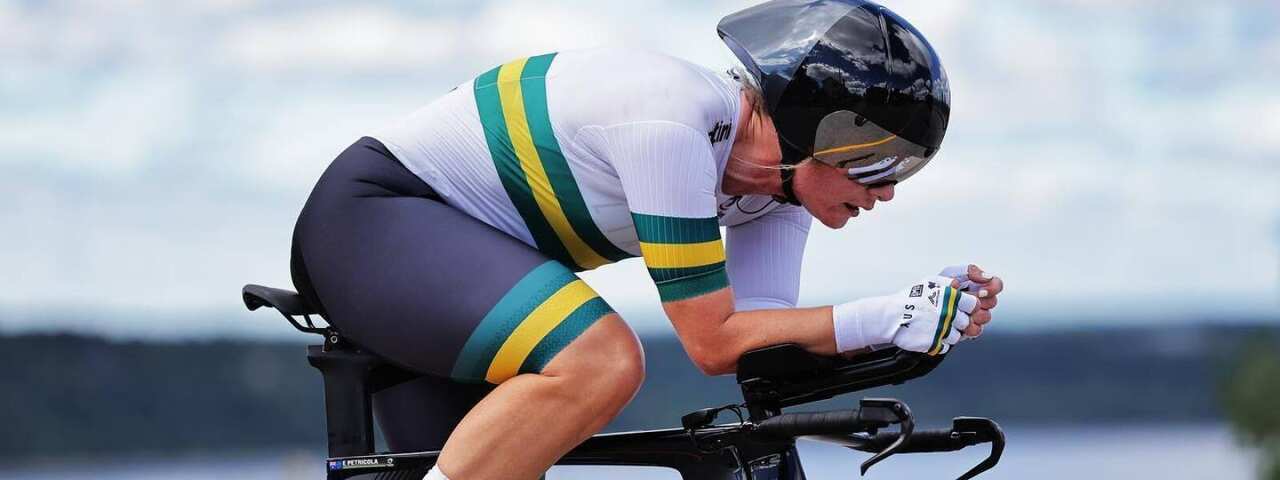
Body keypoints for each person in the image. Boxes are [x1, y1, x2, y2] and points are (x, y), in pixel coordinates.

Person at [288, 1, 1004, 479]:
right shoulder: (673, 122)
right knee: (602, 359)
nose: (887, 191)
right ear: (814, 129)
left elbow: (761, 356)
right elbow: (712, 340)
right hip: (374, 220)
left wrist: (918, 326)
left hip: (452, 271)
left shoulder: (772, 194)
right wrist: (885, 315)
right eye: (880, 162)